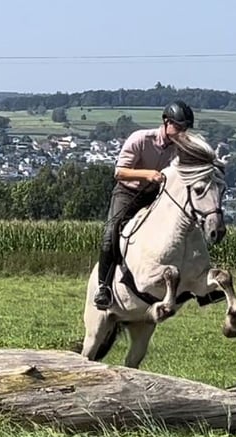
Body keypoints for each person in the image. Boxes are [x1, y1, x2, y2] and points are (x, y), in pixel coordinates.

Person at [93, 100, 195, 310]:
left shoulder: (180, 148)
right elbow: (119, 172)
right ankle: (104, 287)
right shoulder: (141, 139)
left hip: (156, 196)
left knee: (186, 229)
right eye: (178, 127)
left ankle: (196, 285)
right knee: (111, 232)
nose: (181, 133)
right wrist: (147, 174)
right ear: (166, 122)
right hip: (128, 193)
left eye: (184, 129)